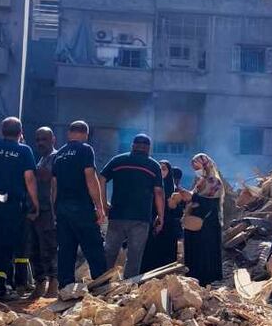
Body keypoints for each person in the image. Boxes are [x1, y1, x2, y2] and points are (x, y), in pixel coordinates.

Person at [0, 117, 39, 300]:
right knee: (4, 246)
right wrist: (35, 203)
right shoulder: (24, 150)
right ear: (20, 133)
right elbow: (29, 178)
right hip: (11, 206)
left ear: (2, 131)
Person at [51, 121, 107, 290]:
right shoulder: (85, 149)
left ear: (69, 133)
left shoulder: (58, 154)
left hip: (62, 208)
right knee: (93, 246)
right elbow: (90, 177)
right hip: (81, 207)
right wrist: (99, 207)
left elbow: (54, 186)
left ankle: (65, 286)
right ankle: (102, 286)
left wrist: (55, 210)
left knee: (66, 249)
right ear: (86, 134)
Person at [100, 134, 165, 278]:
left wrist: (103, 203)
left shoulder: (118, 160)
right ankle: (129, 288)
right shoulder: (153, 165)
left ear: (133, 145)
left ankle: (101, 283)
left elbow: (102, 178)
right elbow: (159, 192)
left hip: (117, 215)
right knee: (135, 255)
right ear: (148, 148)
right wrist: (161, 216)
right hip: (141, 218)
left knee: (110, 251)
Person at [26, 127, 59, 298]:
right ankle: (39, 284)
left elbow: (50, 180)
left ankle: (53, 284)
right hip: (36, 212)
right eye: (38, 139)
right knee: (35, 249)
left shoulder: (56, 157)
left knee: (49, 248)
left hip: (48, 211)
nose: (40, 143)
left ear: (53, 139)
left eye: (44, 139)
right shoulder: (41, 159)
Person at [183, 153, 224, 285]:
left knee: (206, 251)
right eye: (193, 166)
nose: (195, 168)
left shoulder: (214, 182)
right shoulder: (199, 181)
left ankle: (208, 279)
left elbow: (211, 202)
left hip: (208, 223)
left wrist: (193, 198)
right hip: (194, 221)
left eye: (197, 165)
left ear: (206, 165)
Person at [141, 161, 180, 273]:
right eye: (159, 168)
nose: (161, 171)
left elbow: (178, 212)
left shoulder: (174, 189)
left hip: (168, 227)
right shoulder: (149, 185)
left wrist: (172, 205)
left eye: (164, 169)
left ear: (169, 172)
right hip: (151, 222)